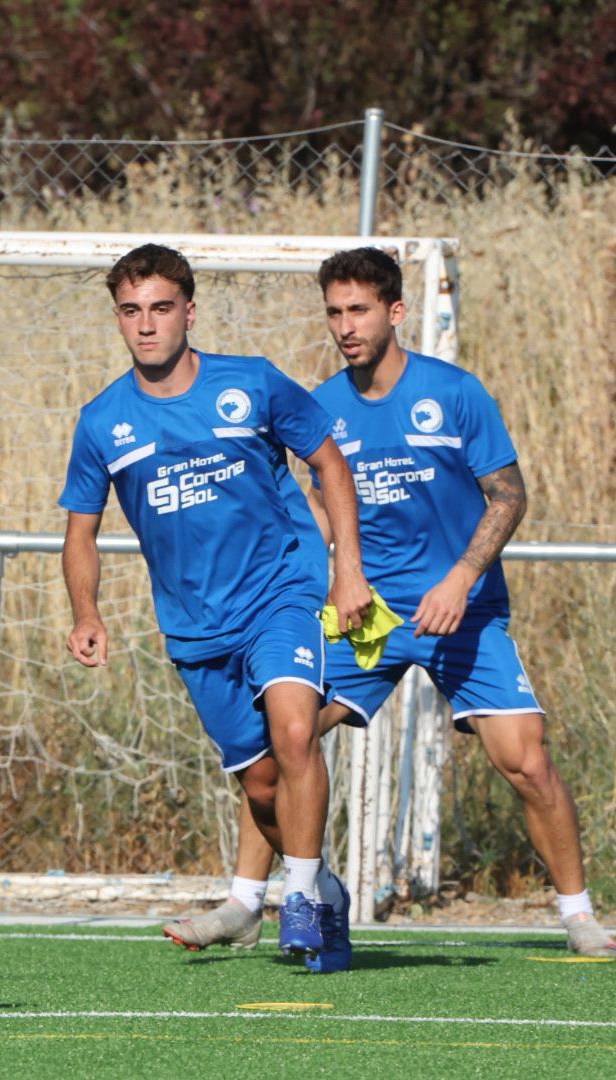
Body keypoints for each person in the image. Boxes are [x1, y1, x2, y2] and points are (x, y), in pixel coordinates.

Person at [164, 246, 616, 960]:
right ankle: (249, 902)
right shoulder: (319, 408)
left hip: (459, 612)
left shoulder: (455, 392)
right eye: (335, 313)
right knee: (281, 742)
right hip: (365, 616)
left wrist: (460, 578)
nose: (346, 326)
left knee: (526, 761)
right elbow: (318, 508)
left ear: (395, 312)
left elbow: (509, 496)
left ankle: (579, 915)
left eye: (360, 310)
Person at [60, 244, 370, 972]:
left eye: (161, 309)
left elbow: (328, 461)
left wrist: (346, 570)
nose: (147, 326)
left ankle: (295, 901)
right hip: (196, 625)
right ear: (118, 319)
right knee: (262, 783)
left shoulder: (252, 383)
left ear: (188, 313)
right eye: (131, 312)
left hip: (281, 592)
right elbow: (81, 531)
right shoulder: (103, 421)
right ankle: (323, 887)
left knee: (295, 733)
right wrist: (86, 612)